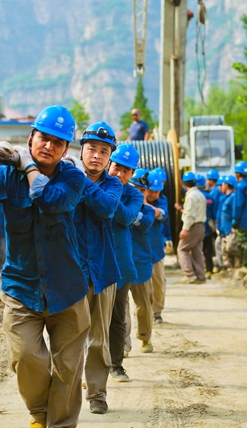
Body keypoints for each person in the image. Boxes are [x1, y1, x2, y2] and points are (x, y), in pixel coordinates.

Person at [0, 105, 89, 428]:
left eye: (57, 143)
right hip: (21, 288)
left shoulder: (74, 177)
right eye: (43, 139)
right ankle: (40, 414)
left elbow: (50, 200)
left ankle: (60, 424)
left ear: (66, 150)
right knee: (25, 358)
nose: (48, 146)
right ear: (30, 137)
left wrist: (29, 166)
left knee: (68, 368)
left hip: (68, 289)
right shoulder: (9, 174)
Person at [69, 122, 122, 415]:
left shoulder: (113, 184)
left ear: (110, 157)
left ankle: (97, 394)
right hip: (71, 271)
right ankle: (67, 390)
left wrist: (78, 178)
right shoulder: (65, 178)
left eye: (104, 151)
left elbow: (105, 208)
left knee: (99, 337)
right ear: (82, 150)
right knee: (69, 336)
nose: (97, 156)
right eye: (92, 149)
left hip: (102, 270)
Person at [107, 145, 142, 383]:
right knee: (86, 320)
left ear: (132, 174)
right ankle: (89, 365)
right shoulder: (92, 184)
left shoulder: (135, 195)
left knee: (117, 319)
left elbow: (127, 217)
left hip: (121, 266)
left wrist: (110, 193)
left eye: (126, 171)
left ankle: (116, 365)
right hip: (93, 265)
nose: (120, 174)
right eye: (117, 167)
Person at [129, 169, 157, 353]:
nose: (138, 192)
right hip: (120, 262)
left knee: (144, 304)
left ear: (146, 192)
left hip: (140, 263)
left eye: (141, 190)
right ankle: (122, 344)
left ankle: (145, 338)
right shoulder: (117, 204)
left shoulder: (148, 211)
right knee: (119, 309)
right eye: (135, 188)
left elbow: (145, 223)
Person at [174, 171, 208, 283]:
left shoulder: (191, 196)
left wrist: (184, 229)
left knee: (182, 249)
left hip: (192, 227)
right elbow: (194, 212)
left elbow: (189, 215)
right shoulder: (200, 194)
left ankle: (189, 275)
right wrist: (181, 209)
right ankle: (201, 276)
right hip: (201, 226)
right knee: (197, 250)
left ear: (184, 183)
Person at [144, 173, 168, 324]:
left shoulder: (162, 201)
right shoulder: (135, 198)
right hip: (139, 250)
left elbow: (161, 214)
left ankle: (157, 312)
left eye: (156, 191)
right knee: (141, 288)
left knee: (158, 283)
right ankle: (142, 314)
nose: (153, 194)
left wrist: (145, 204)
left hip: (156, 250)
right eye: (150, 190)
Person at [229, 161, 247, 268]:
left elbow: (238, 205)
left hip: (244, 220)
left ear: (237, 173)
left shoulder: (240, 187)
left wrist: (235, 220)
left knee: (242, 243)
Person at [218, 175, 237, 268]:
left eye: (223, 184)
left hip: (230, 229)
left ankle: (239, 263)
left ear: (227, 185)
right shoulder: (224, 198)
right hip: (224, 230)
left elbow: (235, 212)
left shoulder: (233, 197)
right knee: (224, 251)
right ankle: (230, 270)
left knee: (230, 248)